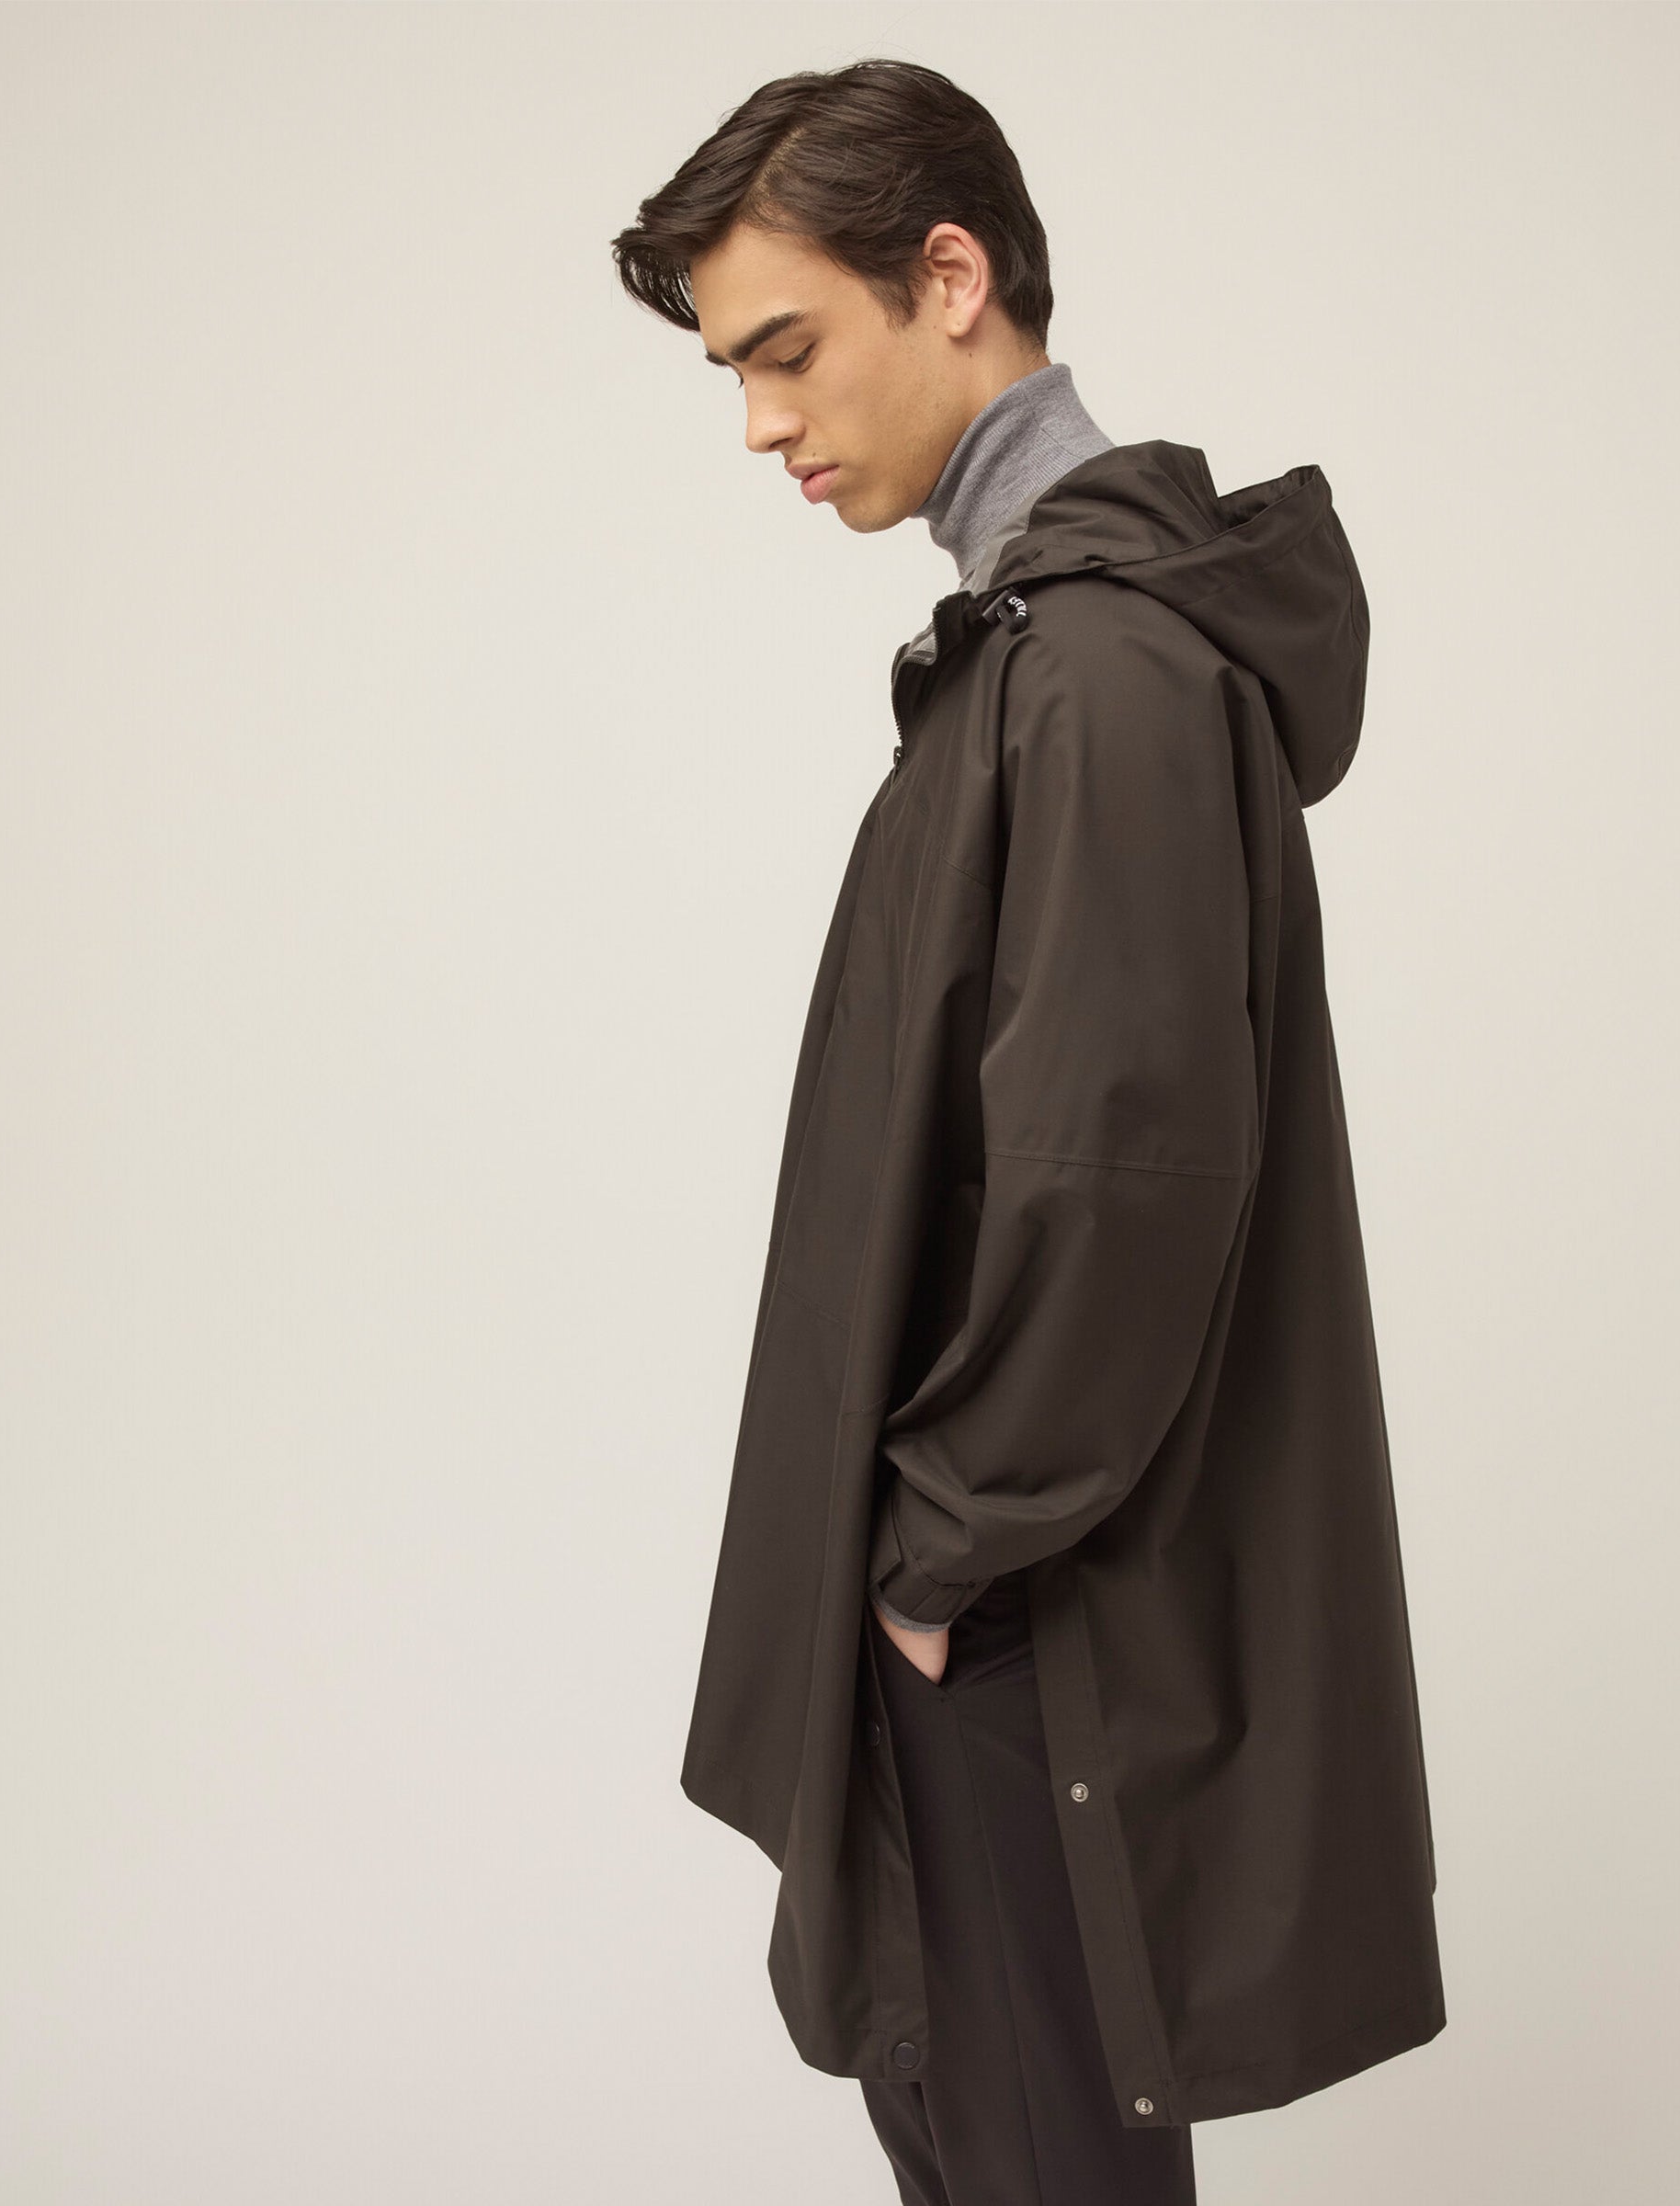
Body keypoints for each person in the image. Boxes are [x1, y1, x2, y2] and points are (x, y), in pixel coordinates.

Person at [613, 56, 1445, 2205]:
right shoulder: (1033, 656)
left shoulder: (1101, 679)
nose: (761, 424)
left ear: (954, 276)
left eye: (786, 349)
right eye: (733, 372)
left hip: (1029, 1630)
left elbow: (1121, 1184)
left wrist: (934, 1555)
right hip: (1001, 1609)